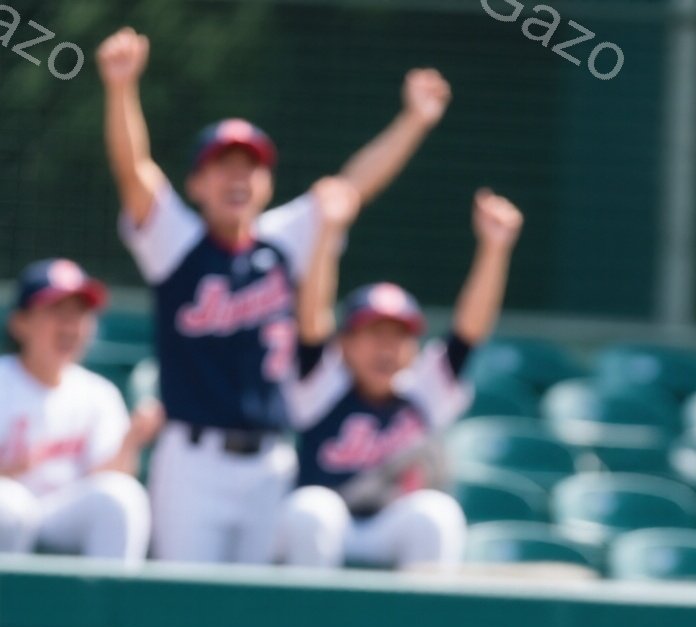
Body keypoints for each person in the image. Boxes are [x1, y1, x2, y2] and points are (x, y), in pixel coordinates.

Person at [95, 27, 451, 562]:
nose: (238, 178)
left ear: (266, 183)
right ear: (196, 184)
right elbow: (134, 171)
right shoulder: (178, 242)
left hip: (269, 461)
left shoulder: (284, 240)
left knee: (253, 612)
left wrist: (413, 121)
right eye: (223, 166)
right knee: (187, 608)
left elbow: (351, 188)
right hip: (192, 458)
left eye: (251, 167)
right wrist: (121, 89)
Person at [275, 185, 523, 570]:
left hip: (390, 530)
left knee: (436, 513)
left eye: (398, 337)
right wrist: (326, 232)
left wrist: (495, 250)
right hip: (329, 529)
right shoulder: (322, 388)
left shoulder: (422, 392)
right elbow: (312, 317)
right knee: (313, 508)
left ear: (413, 348)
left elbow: (469, 331)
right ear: (346, 343)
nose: (386, 349)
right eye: (374, 335)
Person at [0, 258, 159, 562]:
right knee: (9, 505)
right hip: (8, 512)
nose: (70, 326)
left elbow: (105, 479)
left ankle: (112, 608)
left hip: (61, 513)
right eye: (57, 312)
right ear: (20, 323)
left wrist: (131, 441)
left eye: (80, 314)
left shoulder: (98, 392)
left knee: (122, 496)